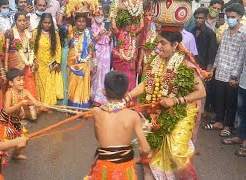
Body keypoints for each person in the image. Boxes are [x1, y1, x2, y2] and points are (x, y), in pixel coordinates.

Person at [127, 30, 206, 179]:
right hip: (161, 107)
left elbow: (201, 92)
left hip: (184, 109)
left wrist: (176, 100)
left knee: (176, 151)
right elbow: (146, 83)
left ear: (175, 45)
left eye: (163, 43)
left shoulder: (185, 65)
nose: (158, 46)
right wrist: (128, 96)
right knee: (153, 142)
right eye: (158, 42)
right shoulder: (157, 61)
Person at [84, 71, 151, 179]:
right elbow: (146, 149)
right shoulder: (133, 116)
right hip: (125, 170)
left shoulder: (97, 112)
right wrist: (142, 157)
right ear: (126, 93)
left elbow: (98, 138)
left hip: (103, 169)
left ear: (104, 91)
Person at [204, 3, 246, 137]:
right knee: (219, 98)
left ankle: (228, 125)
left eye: (233, 17)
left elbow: (241, 56)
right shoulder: (226, 31)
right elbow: (220, 51)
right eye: (228, 16)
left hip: (232, 73)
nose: (229, 19)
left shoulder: (243, 33)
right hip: (221, 70)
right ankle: (219, 121)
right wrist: (214, 68)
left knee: (231, 101)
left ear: (240, 16)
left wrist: (236, 76)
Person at [0, 68, 39, 160]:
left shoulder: (25, 91)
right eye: (18, 80)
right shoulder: (9, 93)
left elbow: (36, 102)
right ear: (11, 83)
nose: (22, 82)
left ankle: (15, 155)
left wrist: (44, 104)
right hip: (6, 122)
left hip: (16, 121)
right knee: (4, 145)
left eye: (23, 79)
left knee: (23, 142)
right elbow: (7, 110)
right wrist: (20, 104)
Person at [62, 13, 97, 108]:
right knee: (73, 85)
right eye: (79, 21)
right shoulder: (71, 31)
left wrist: (95, 64)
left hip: (85, 63)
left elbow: (92, 49)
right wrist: (65, 9)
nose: (81, 23)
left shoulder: (90, 33)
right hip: (73, 63)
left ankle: (83, 108)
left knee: (84, 85)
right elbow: (59, 23)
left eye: (83, 21)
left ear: (86, 23)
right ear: (75, 22)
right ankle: (73, 107)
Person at [6, 12, 38, 99]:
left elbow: (31, 50)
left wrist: (34, 60)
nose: (22, 23)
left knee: (28, 86)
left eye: (24, 20)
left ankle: (29, 107)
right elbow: (5, 52)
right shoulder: (11, 33)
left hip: (27, 66)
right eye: (19, 20)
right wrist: (5, 69)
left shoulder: (29, 34)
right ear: (15, 22)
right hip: (15, 66)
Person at [33, 13, 62, 105]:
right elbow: (32, 48)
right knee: (41, 85)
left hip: (51, 64)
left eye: (49, 23)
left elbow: (58, 48)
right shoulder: (35, 33)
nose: (47, 25)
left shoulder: (55, 34)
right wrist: (34, 60)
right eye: (45, 22)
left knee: (50, 85)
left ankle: (49, 105)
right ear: (41, 23)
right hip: (39, 64)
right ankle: (41, 104)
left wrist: (58, 62)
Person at [90, 8, 111, 106]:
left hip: (106, 52)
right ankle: (95, 97)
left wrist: (108, 35)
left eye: (102, 14)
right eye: (98, 14)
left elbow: (108, 40)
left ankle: (102, 98)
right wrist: (99, 34)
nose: (100, 16)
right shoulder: (92, 27)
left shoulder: (105, 25)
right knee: (96, 74)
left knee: (104, 73)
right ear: (94, 16)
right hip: (96, 52)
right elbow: (93, 41)